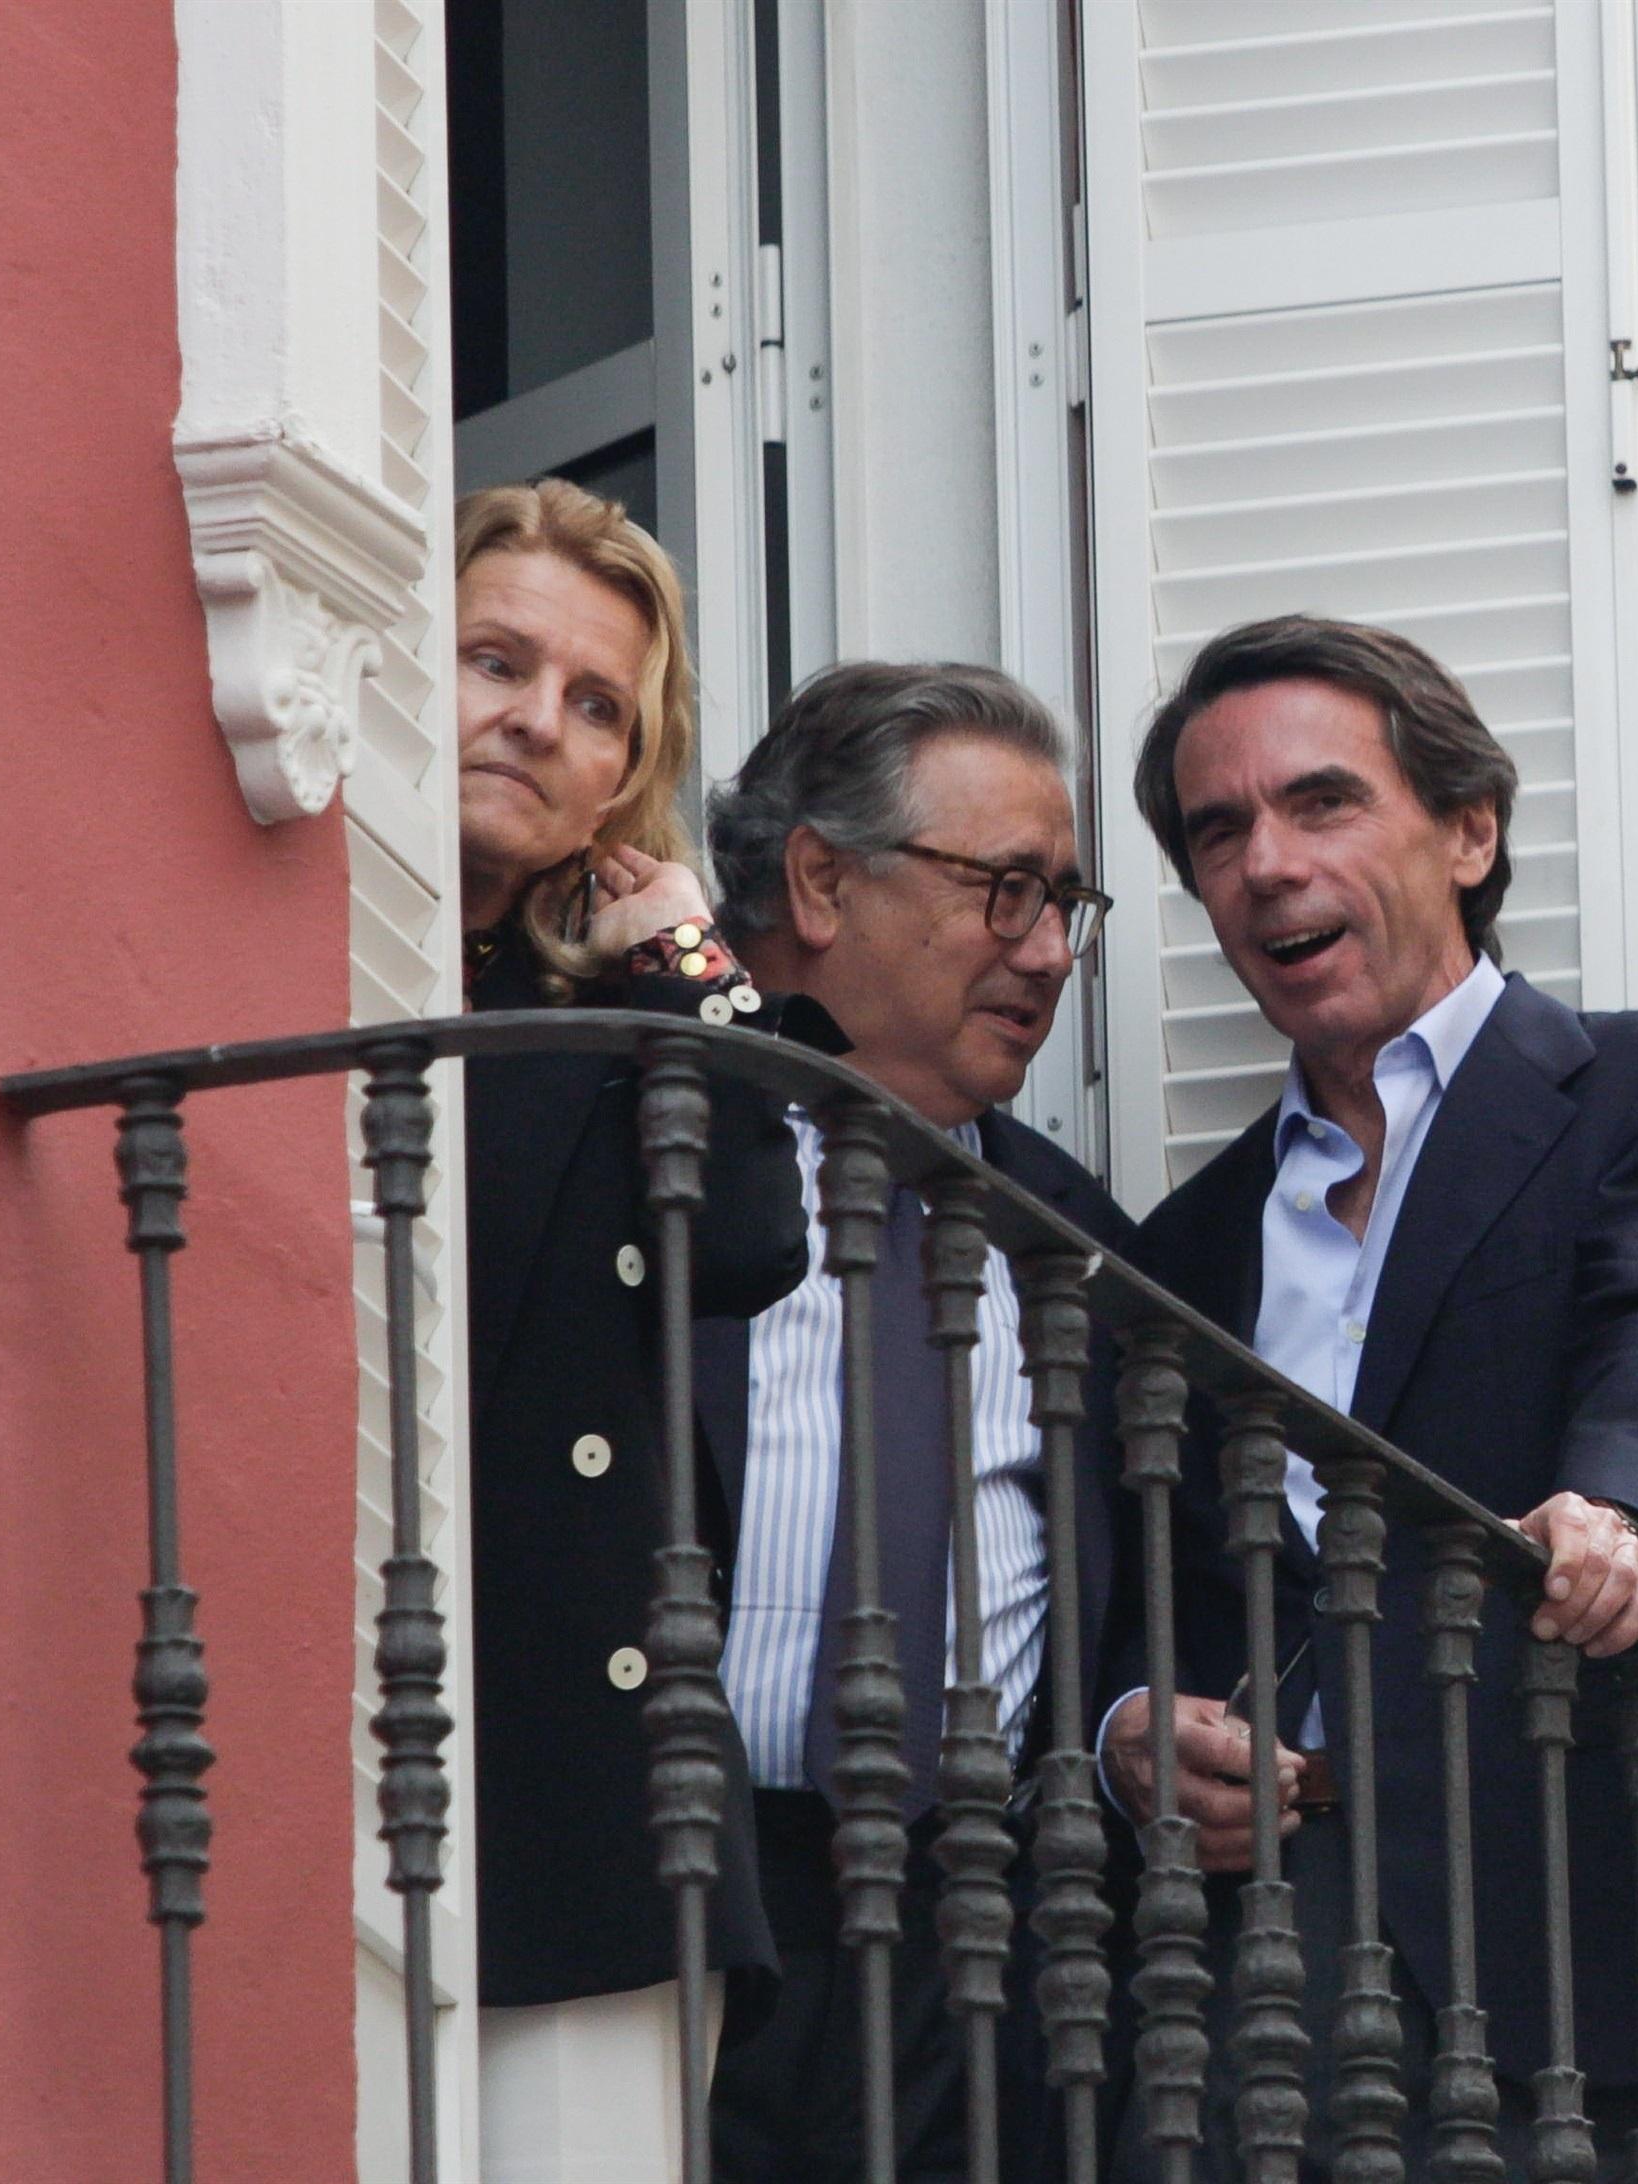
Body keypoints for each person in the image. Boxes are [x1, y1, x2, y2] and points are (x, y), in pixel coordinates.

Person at [1101, 615, 1638, 2179]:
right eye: (1220, 834)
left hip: (1541, 1953)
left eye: (1323, 803)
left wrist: (1621, 1511)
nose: (1268, 865)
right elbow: (1142, 1588)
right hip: (1234, 1996)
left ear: (1469, 829)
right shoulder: (1176, 1253)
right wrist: (1133, 1731)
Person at [696, 661, 1137, 2184]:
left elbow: (1139, 1604)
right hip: (682, 1880)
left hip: (973, 1941)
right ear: (819, 879)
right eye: (1005, 890)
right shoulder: (636, 1144)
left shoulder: (1081, 1242)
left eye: (1065, 904)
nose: (1049, 952)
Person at [453, 480, 817, 2184]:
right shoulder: (267, 925)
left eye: (598, 704)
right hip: (344, 1705)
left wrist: (682, 952)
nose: (536, 720)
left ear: (627, 774)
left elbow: (751, 1233)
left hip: (587, 1787)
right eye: (494, 660)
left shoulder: (613, 1016)